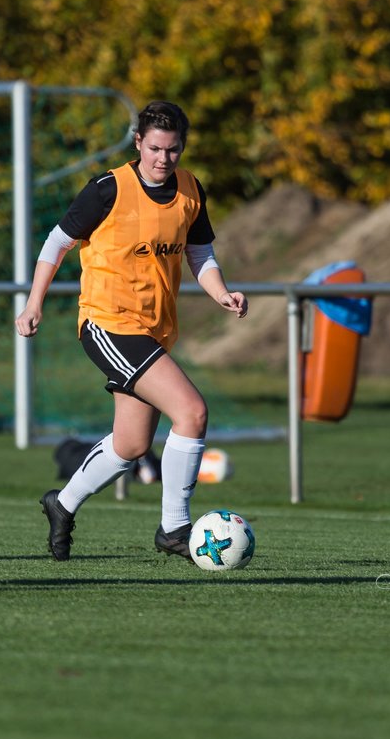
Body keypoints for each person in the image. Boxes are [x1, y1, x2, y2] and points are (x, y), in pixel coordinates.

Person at [16, 100, 248, 562]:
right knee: (192, 412)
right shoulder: (108, 189)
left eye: (174, 150)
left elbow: (199, 254)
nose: (164, 159)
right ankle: (174, 528)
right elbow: (57, 242)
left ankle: (61, 505)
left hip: (154, 329)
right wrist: (34, 301)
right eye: (156, 148)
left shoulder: (190, 190)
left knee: (131, 444)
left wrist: (221, 291)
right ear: (138, 142)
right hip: (108, 322)